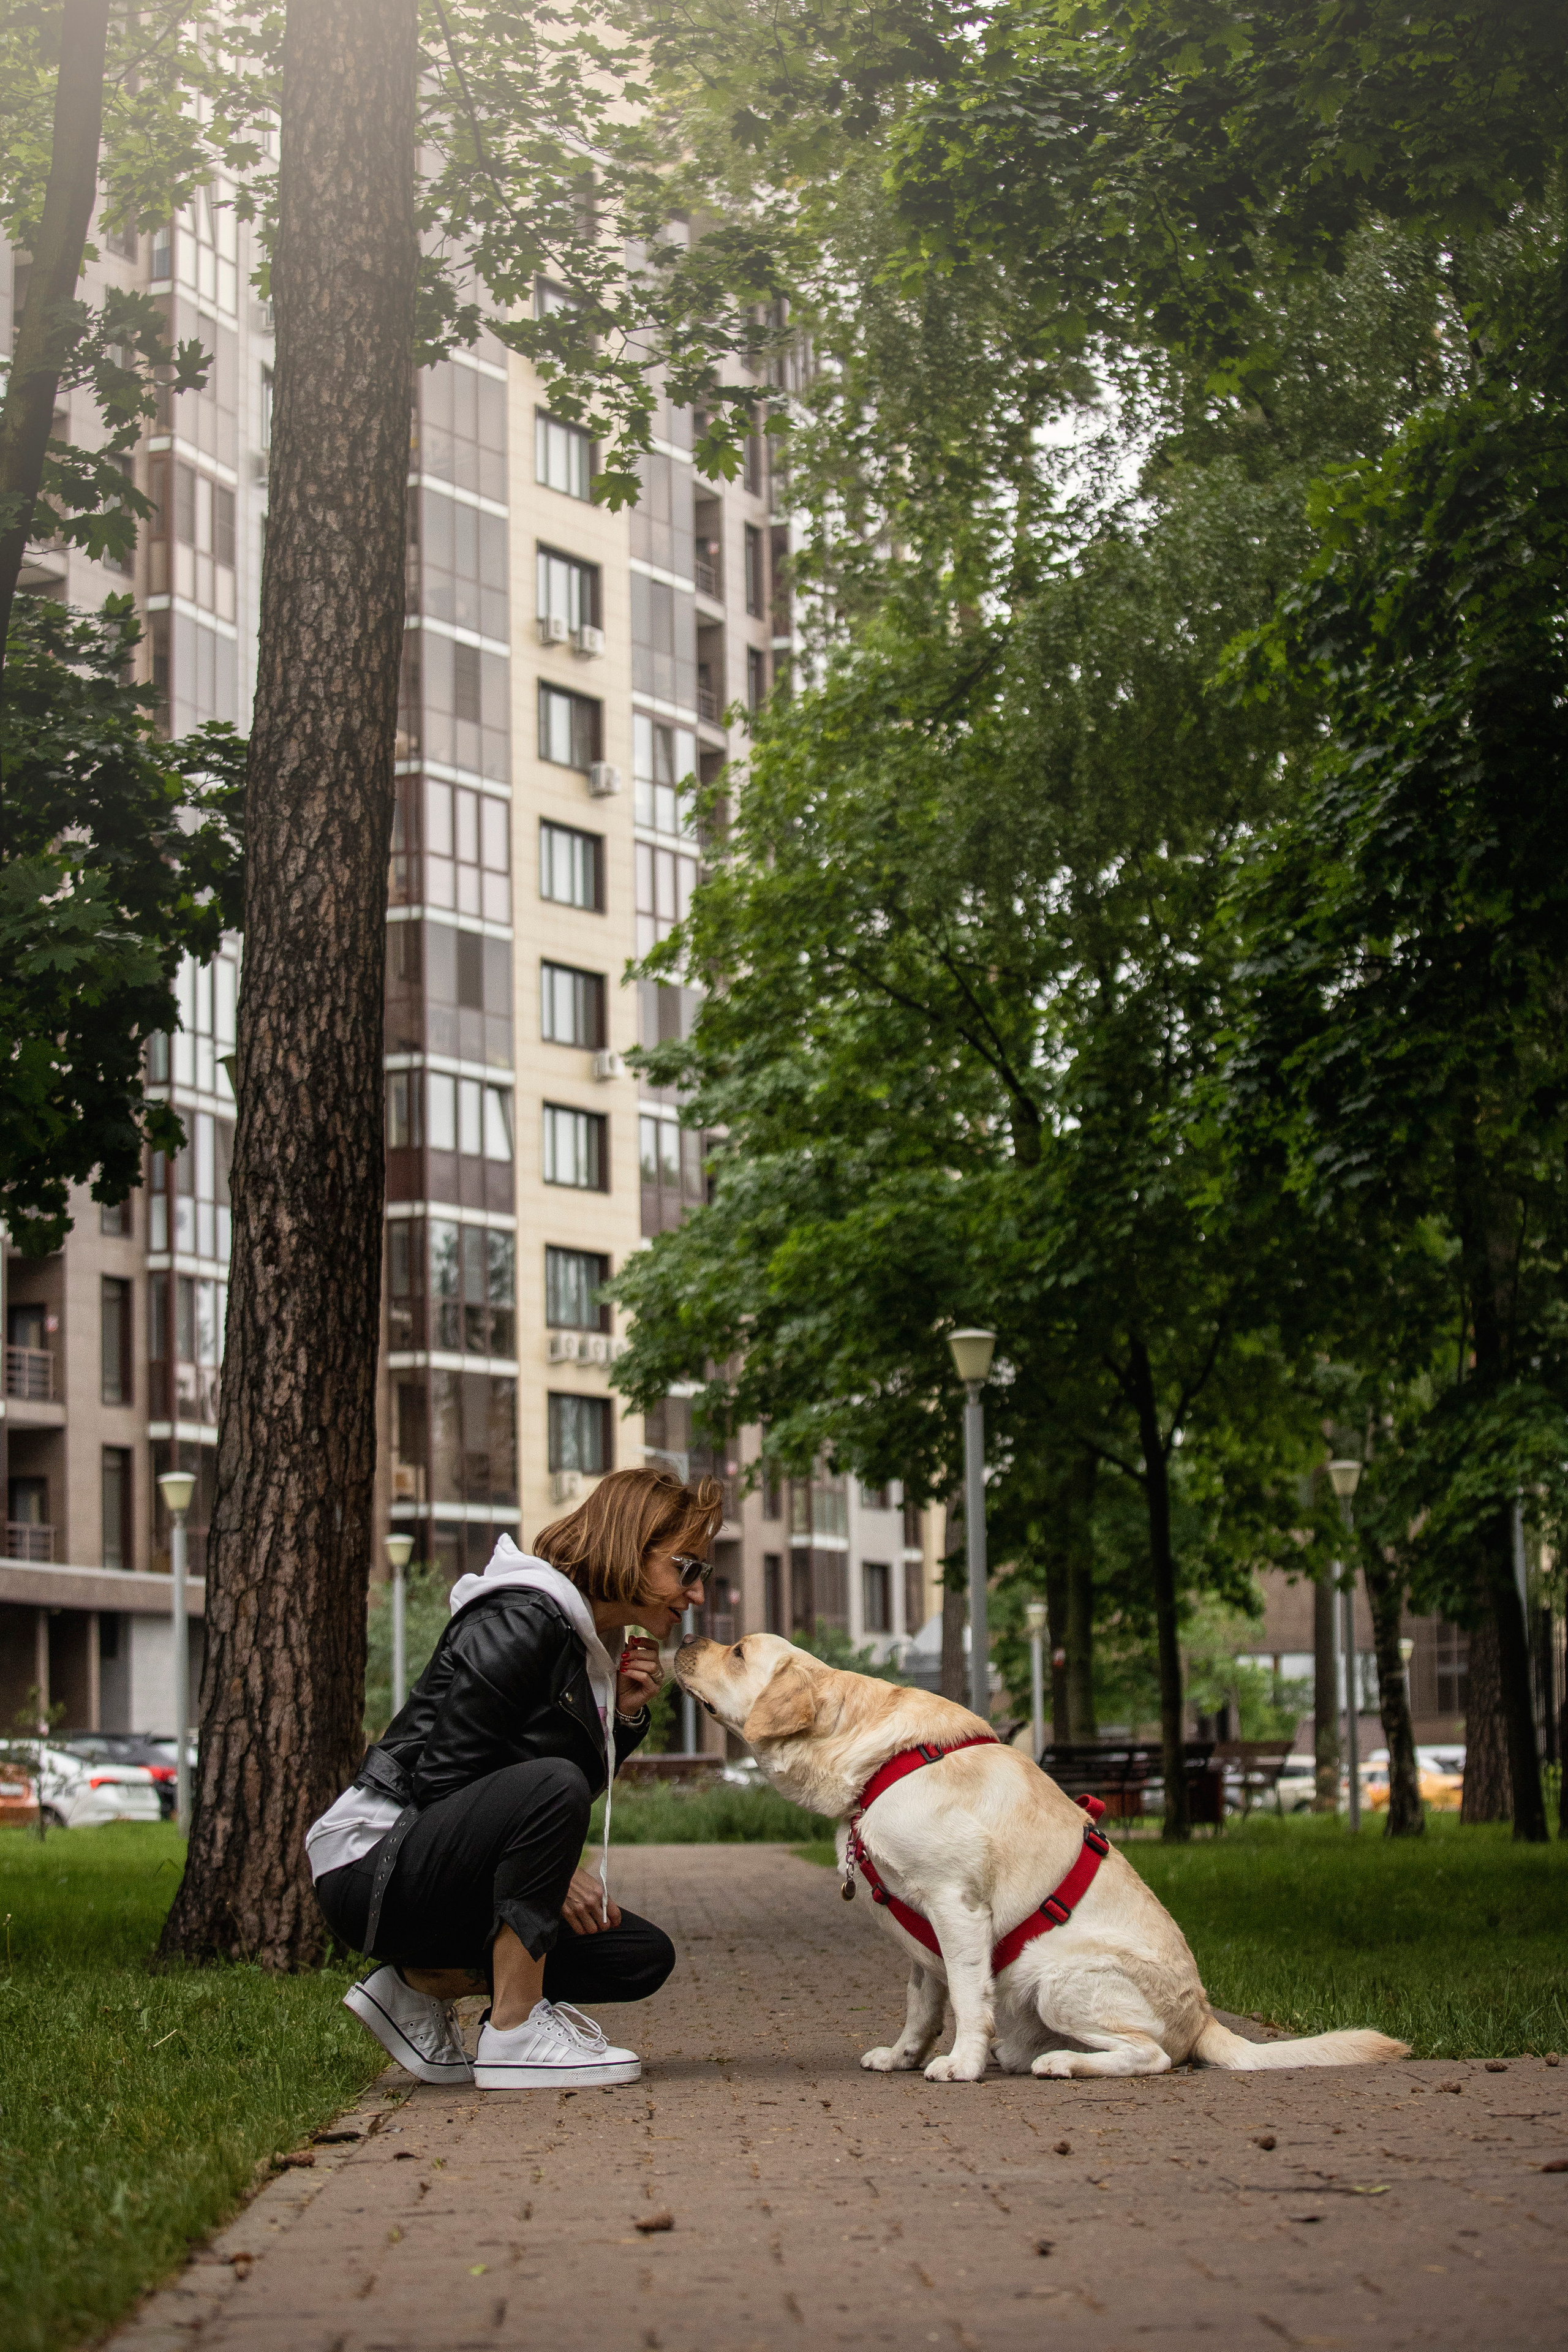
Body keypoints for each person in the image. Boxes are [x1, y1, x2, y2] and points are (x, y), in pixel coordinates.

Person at [309, 1468, 722, 2090]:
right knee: (553, 1784)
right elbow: (443, 1781)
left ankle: (415, 1987)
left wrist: (623, 1717)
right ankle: (515, 2031)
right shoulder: (522, 1617)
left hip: (436, 1868)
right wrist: (554, 1872)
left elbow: (552, 1785)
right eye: (686, 1569)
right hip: (372, 1866)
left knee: (635, 1956)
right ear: (630, 1547)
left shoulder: (587, 1643)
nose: (697, 1594)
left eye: (702, 1574)